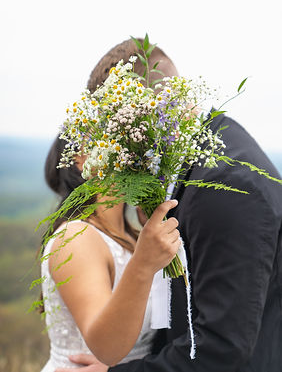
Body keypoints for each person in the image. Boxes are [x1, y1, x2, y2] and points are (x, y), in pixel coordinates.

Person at [55, 38, 282, 372]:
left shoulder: (228, 185)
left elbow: (221, 348)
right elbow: (187, 317)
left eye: (117, 131)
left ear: (148, 112)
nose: (116, 151)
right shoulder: (199, 165)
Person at [40, 135, 181, 371]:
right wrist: (143, 265)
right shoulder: (76, 238)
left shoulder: (132, 236)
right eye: (109, 137)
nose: (129, 145)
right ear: (80, 159)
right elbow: (107, 349)